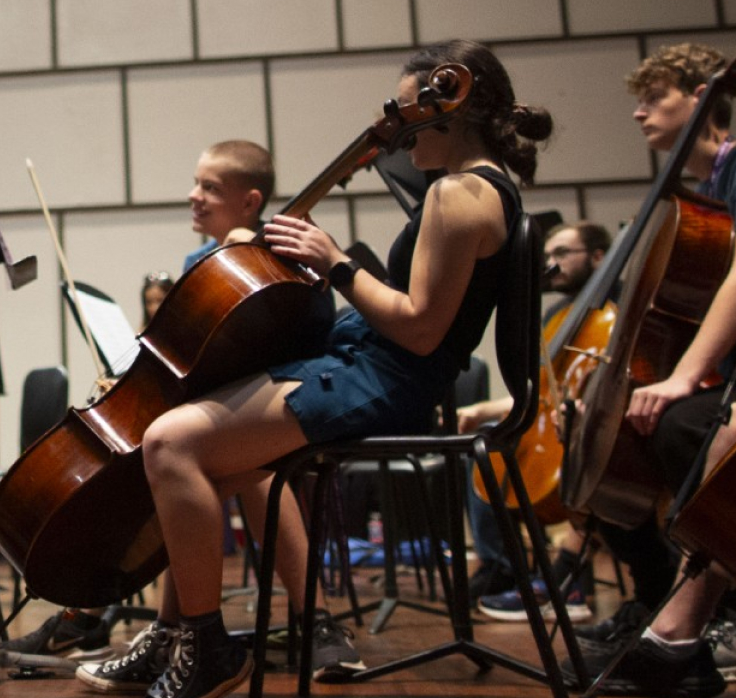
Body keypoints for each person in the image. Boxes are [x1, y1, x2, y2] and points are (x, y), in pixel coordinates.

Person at [131, 40, 551, 698]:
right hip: (375, 363)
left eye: (409, 111)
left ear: (451, 109)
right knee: (211, 451)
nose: (398, 127)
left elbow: (418, 327)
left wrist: (334, 262)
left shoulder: (459, 195)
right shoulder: (481, 188)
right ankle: (197, 634)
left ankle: (207, 646)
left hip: (388, 379)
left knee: (169, 441)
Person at [65, 139, 360, 692]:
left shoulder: (282, 251)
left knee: (228, 464)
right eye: (196, 183)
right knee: (182, 455)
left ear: (250, 202)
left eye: (210, 188)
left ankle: (308, 622)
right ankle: (178, 633)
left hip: (289, 404)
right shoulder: (199, 263)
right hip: (231, 406)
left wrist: (262, 251)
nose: (193, 196)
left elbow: (309, 326)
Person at [585, 44, 736, 695]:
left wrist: (684, 376)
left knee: (682, 423)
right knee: (607, 433)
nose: (638, 113)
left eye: (654, 97)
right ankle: (654, 599)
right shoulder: (698, 193)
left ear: (699, 96)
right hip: (732, 372)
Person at [462, 220, 611, 620]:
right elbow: (545, 390)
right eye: (549, 255)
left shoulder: (613, 316)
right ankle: (505, 568)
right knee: (485, 449)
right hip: (553, 418)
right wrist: (483, 410)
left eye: (563, 253)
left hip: (590, 427)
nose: (552, 263)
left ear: (598, 257)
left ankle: (562, 577)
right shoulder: (557, 314)